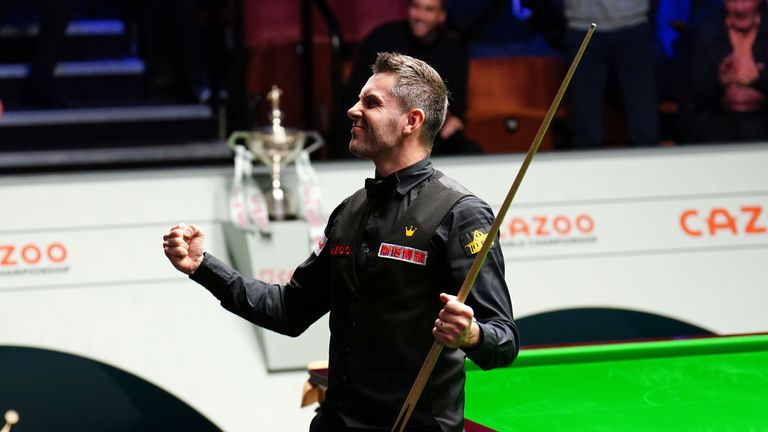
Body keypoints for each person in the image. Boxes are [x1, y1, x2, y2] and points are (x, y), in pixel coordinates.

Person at [163, 52, 518, 431]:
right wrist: (203, 267)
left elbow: (504, 340)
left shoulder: (460, 213)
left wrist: (471, 334)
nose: (353, 110)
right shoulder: (349, 211)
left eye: (371, 102)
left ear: (411, 121)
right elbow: (289, 310)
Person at [334, 0, 479, 158]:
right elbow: (355, 96)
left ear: (441, 16)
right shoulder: (382, 39)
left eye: (429, 10)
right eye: (415, 7)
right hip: (379, 126)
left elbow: (456, 106)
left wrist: (451, 120)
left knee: (470, 151)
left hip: (431, 134)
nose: (420, 16)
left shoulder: (454, 51)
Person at [563, 0, 659, 148]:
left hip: (634, 23)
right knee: (586, 129)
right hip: (582, 26)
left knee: (646, 124)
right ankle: (587, 169)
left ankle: (651, 167)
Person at [681, 0, 768, 142]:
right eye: (733, 1)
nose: (740, 8)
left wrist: (760, 79)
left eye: (746, 0)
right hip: (717, 125)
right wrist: (720, 81)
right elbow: (690, 93)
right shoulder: (706, 30)